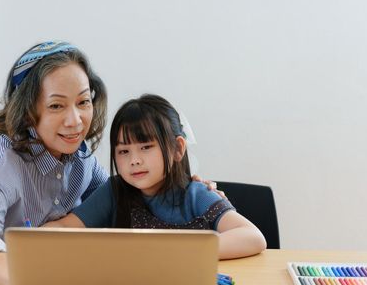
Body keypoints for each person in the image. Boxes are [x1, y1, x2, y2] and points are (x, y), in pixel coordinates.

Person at [0, 41, 222, 285]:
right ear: (27, 112)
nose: (75, 121)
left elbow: (123, 197)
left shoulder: (80, 156)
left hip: (53, 274)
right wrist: (36, 281)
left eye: (83, 102)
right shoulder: (0, 167)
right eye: (56, 106)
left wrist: (183, 187)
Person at [45, 94, 267, 259]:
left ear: (177, 149)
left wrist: (171, 251)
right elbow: (66, 227)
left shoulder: (196, 194)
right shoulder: (114, 191)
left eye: (146, 147)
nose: (134, 160)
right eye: (123, 151)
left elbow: (252, 237)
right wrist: (31, 239)